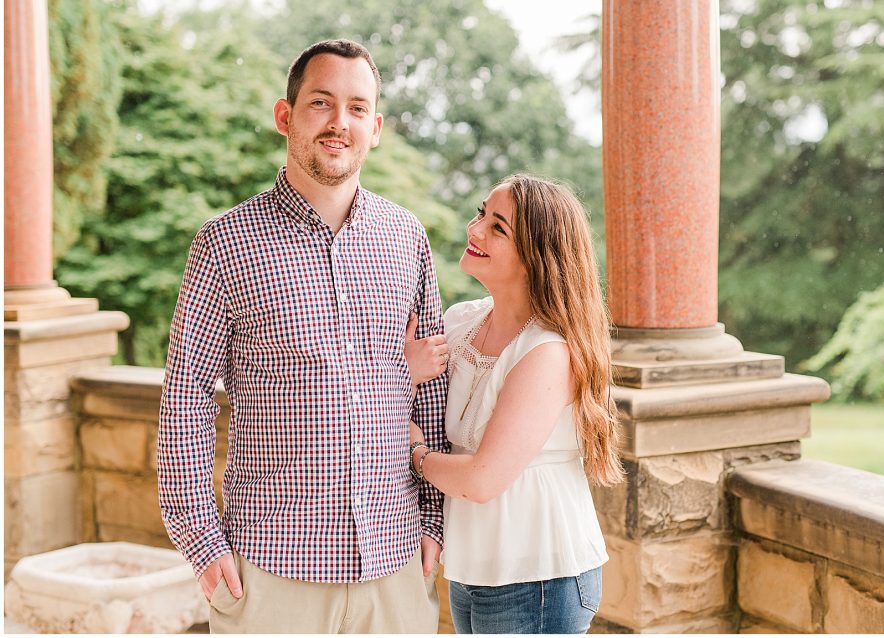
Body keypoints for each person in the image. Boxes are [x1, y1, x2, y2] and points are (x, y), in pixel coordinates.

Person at [156, 38, 449, 634]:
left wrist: (434, 521)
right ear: (285, 116)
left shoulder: (406, 239)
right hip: (270, 573)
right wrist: (201, 540)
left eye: (358, 108)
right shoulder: (223, 244)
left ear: (377, 127)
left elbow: (433, 392)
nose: (341, 122)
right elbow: (184, 400)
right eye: (322, 103)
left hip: (393, 565)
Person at [404, 173, 624, 634]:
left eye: (498, 227)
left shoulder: (547, 350)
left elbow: (483, 479)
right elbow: (404, 394)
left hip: (540, 576)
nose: (475, 229)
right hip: (473, 567)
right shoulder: (461, 322)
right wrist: (407, 371)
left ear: (535, 258)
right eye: (481, 213)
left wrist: (416, 455)